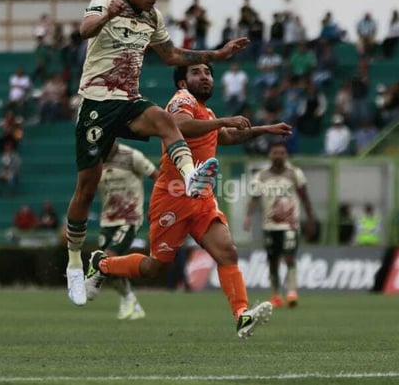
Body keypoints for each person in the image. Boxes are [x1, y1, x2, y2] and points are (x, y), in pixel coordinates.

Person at [64, 0, 249, 306]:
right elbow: (85, 29)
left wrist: (217, 54)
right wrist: (107, 14)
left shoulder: (152, 18)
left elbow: (171, 55)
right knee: (86, 188)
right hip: (96, 104)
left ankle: (191, 175)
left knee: (166, 121)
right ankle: (75, 261)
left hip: (129, 101)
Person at [85, 63, 292, 338]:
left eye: (208, 72)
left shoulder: (207, 112)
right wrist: (223, 121)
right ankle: (101, 264)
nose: (204, 76)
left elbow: (227, 136)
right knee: (155, 266)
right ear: (182, 82)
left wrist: (264, 129)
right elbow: (179, 126)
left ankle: (242, 315)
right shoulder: (181, 100)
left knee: (227, 252)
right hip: (172, 197)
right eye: (196, 72)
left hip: (202, 197)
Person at [92, 141, 159, 320]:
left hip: (129, 218)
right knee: (110, 266)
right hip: (107, 220)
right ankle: (130, 300)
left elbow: (157, 176)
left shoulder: (131, 156)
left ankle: (92, 285)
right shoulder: (94, 158)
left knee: (107, 257)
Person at [245, 142, 315, 309]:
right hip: (269, 225)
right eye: (275, 152)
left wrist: (311, 218)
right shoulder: (261, 176)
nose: (279, 155)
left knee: (289, 257)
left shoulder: (295, 173)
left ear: (286, 155)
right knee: (273, 260)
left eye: (282, 153)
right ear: (270, 155)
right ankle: (275, 294)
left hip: (290, 224)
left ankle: (292, 292)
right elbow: (254, 198)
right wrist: (248, 216)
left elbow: (304, 197)